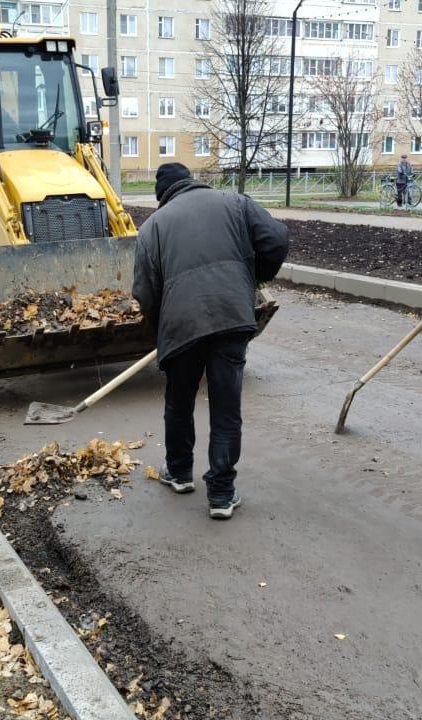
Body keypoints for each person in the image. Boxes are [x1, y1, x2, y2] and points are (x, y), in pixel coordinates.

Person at [133, 163, 290, 519]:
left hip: (181, 325)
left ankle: (179, 472)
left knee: (179, 400)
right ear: (191, 181)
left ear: (162, 195)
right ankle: (221, 493)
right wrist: (253, 277)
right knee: (225, 406)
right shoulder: (236, 203)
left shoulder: (153, 227)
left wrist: (160, 325)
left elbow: (144, 290)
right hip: (231, 317)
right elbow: (277, 239)